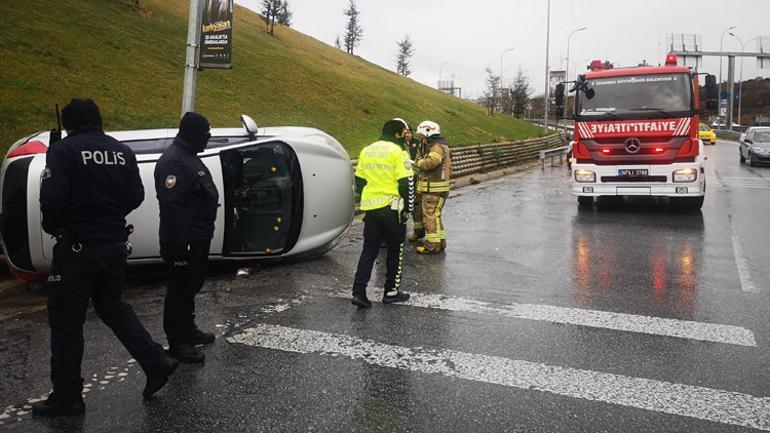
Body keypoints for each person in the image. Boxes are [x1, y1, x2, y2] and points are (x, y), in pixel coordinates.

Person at [34, 99, 178, 417]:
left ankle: (68, 396)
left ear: (70, 124)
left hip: (77, 250)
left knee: (66, 323)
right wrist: (108, 215)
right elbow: (136, 195)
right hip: (113, 244)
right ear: (98, 120)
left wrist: (58, 225)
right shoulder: (121, 151)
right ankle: (156, 362)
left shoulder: (64, 151)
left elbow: (52, 199)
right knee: (113, 307)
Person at [154, 112, 219, 363]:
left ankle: (188, 331)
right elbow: (172, 208)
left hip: (196, 238)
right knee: (178, 291)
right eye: (206, 134)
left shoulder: (188, 158)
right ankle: (177, 342)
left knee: (190, 286)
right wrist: (181, 246)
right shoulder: (175, 162)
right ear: (192, 134)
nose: (208, 139)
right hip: (183, 241)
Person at [351, 119, 414, 308]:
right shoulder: (398, 152)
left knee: (369, 251)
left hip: (371, 209)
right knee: (396, 250)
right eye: (403, 132)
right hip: (392, 209)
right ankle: (391, 292)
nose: (405, 135)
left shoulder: (366, 150)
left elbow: (359, 181)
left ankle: (359, 292)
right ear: (396, 134)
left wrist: (368, 198)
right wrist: (407, 209)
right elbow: (406, 183)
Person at [411, 120, 451, 254]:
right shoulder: (441, 146)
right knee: (436, 216)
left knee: (430, 216)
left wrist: (418, 162)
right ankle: (440, 242)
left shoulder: (436, 147)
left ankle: (432, 245)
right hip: (438, 188)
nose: (421, 139)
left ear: (429, 133)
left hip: (433, 189)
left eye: (422, 136)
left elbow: (431, 163)